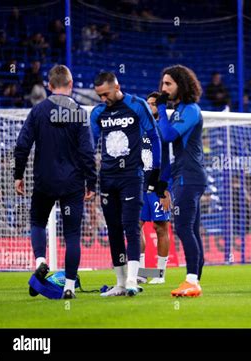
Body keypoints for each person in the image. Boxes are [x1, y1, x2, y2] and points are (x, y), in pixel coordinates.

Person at [14, 64, 96, 299]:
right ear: (70, 85)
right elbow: (88, 151)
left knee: (38, 221)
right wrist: (91, 183)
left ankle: (41, 261)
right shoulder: (79, 113)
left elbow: (22, 145)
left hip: (44, 181)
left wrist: (18, 175)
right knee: (71, 234)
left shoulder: (39, 111)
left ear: (49, 86)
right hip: (72, 184)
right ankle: (69, 287)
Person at [90, 72, 162, 297]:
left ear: (117, 86)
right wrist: (89, 179)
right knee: (113, 231)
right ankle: (120, 283)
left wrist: (156, 174)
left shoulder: (137, 105)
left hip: (132, 176)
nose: (103, 99)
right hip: (107, 178)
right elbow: (90, 147)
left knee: (131, 227)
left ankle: (132, 279)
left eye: (106, 94)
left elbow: (155, 138)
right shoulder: (97, 113)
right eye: (99, 95)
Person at [156, 65, 207, 297]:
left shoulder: (190, 110)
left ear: (181, 85)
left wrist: (160, 108)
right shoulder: (180, 110)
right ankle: (194, 278)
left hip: (189, 177)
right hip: (183, 176)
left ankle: (192, 280)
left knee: (184, 228)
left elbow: (167, 136)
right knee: (192, 230)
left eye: (168, 84)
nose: (163, 88)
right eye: (162, 84)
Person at [137, 91, 172, 285]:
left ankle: (159, 274)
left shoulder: (163, 131)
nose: (150, 107)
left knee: (160, 228)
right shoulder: (140, 130)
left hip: (158, 187)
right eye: (148, 103)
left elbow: (168, 161)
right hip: (140, 186)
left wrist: (165, 189)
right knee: (136, 227)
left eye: (153, 104)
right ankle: (141, 273)